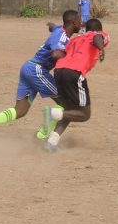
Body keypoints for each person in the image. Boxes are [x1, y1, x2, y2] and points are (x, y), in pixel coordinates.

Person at [0, 10, 81, 138]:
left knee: (20, 111)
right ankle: (41, 136)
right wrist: (73, 56)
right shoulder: (61, 37)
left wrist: (51, 26)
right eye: (80, 20)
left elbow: (54, 28)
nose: (82, 23)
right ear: (74, 22)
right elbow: (56, 54)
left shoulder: (59, 30)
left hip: (28, 68)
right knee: (66, 103)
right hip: (37, 70)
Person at [42, 18, 110, 151]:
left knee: (70, 110)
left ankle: (52, 142)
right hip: (74, 73)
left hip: (59, 71)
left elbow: (62, 53)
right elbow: (97, 37)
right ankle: (52, 113)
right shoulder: (98, 35)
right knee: (84, 114)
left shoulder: (75, 39)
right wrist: (101, 49)